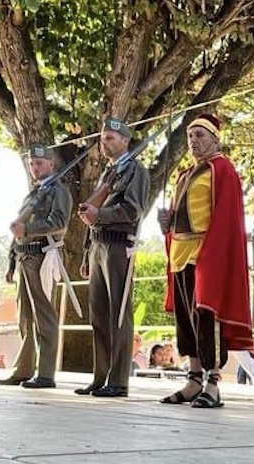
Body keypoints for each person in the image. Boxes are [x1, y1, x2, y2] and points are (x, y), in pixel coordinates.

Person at [158, 113, 253, 408]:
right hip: (180, 253)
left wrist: (213, 255)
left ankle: (213, 384)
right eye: (190, 136)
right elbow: (178, 219)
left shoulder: (223, 170)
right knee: (186, 319)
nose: (193, 141)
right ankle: (193, 378)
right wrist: (166, 222)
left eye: (200, 135)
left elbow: (227, 219)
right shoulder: (185, 174)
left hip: (205, 252)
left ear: (214, 138)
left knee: (207, 316)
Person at [77, 118, 149, 398]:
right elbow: (89, 214)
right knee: (99, 315)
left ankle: (118, 380)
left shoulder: (135, 170)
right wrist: (86, 251)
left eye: (110, 138)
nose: (104, 143)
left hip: (119, 246)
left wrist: (102, 216)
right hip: (98, 246)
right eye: (103, 138)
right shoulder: (108, 172)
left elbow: (132, 210)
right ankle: (100, 377)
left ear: (125, 141)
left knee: (119, 314)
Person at [0, 144, 72, 389]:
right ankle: (24, 368)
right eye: (32, 163)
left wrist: (29, 230)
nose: (35, 167)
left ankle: (46, 372)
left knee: (44, 317)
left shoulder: (57, 191)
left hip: (41, 256)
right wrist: (11, 261)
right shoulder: (34, 193)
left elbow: (59, 222)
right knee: (25, 318)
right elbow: (17, 228)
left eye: (39, 163)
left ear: (52, 164)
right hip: (24, 257)